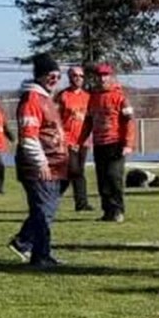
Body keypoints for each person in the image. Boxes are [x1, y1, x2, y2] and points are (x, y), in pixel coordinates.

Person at [8, 53, 69, 268]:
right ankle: (39, 254)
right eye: (50, 75)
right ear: (40, 76)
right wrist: (40, 162)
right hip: (42, 167)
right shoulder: (32, 100)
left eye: (57, 75)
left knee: (46, 211)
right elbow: (29, 136)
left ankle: (29, 244)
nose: (55, 79)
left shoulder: (45, 99)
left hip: (56, 165)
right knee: (44, 212)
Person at [88, 63, 137, 222]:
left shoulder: (120, 97)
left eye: (105, 75)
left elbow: (129, 121)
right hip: (99, 143)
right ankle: (107, 211)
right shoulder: (93, 97)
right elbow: (88, 122)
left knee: (113, 176)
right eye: (100, 76)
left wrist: (128, 144)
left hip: (115, 143)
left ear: (110, 77)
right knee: (102, 179)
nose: (102, 78)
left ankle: (118, 210)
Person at [57, 65, 94, 212]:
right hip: (67, 141)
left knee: (70, 174)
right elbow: (56, 121)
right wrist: (64, 141)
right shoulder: (63, 96)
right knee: (76, 171)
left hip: (83, 142)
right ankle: (82, 203)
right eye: (74, 75)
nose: (78, 78)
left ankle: (50, 198)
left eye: (81, 76)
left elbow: (90, 121)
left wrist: (83, 140)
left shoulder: (88, 98)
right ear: (69, 77)